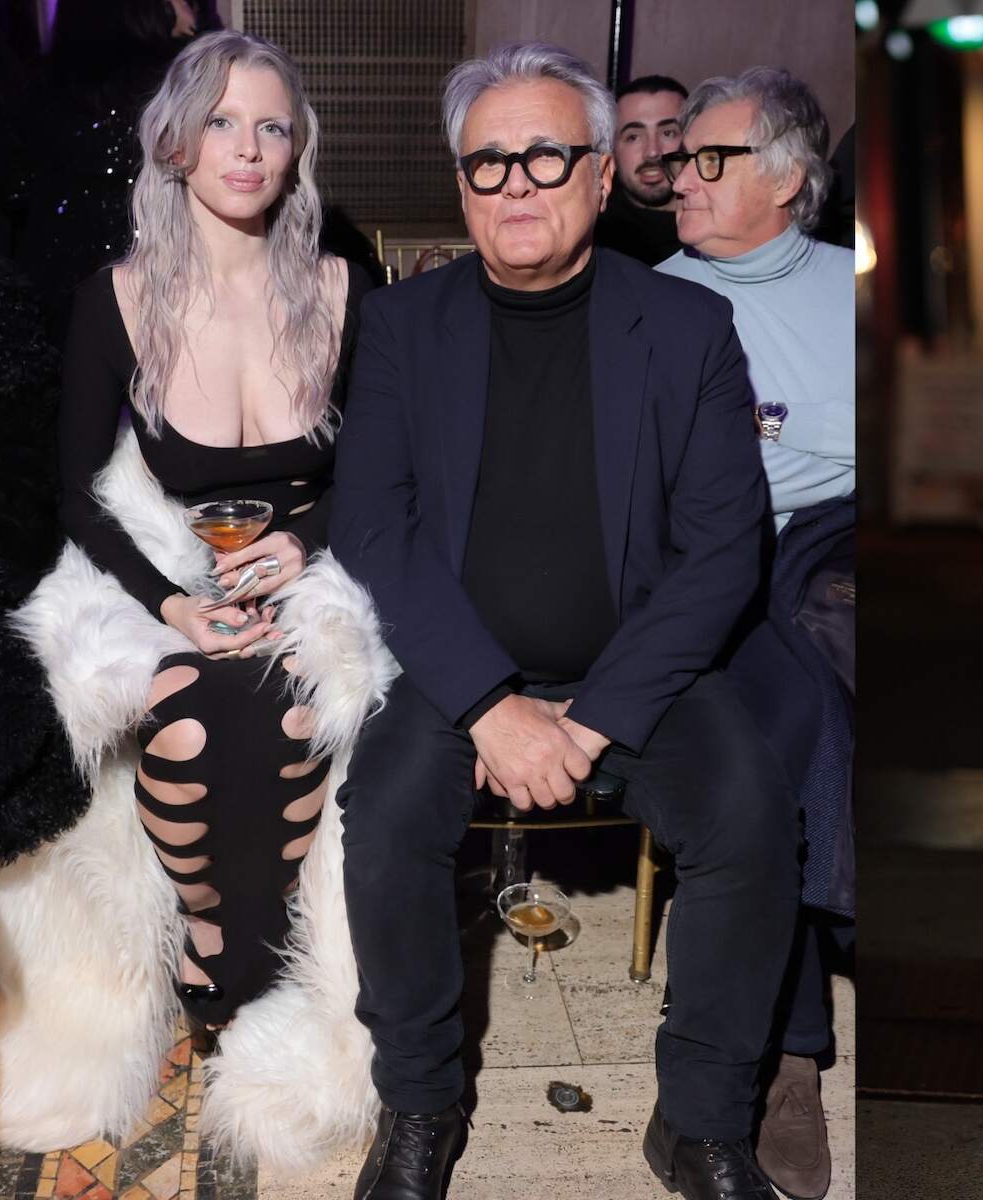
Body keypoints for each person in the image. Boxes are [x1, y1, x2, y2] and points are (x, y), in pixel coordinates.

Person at [333, 43, 796, 1200]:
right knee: (384, 814)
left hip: (636, 672)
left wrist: (588, 726)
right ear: (462, 189)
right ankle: (422, 1104)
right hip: (458, 676)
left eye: (546, 155)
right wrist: (491, 705)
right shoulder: (400, 328)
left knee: (751, 811)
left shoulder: (685, 329)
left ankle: (700, 1121)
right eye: (488, 164)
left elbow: (724, 550)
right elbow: (375, 532)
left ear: (602, 176)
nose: (517, 183)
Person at [0, 30, 396, 1171]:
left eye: (271, 126)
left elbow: (395, 470)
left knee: (297, 707)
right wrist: (169, 604)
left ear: (297, 149)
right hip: (172, 567)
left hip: (322, 565)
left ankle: (258, 970)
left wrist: (306, 544)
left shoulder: (350, 288)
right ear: (176, 142)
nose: (248, 149)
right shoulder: (118, 299)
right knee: (194, 705)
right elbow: (78, 495)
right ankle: (212, 937)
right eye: (223, 123)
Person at [655, 66, 854, 1200]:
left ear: (787, 178)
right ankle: (788, 1053)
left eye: (708, 158)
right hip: (726, 558)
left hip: (839, 551)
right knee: (794, 728)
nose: (680, 175)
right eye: (681, 158)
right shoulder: (655, 297)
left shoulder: (844, 286)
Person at [592, 74, 687, 265]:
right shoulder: (591, 238)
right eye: (633, 137)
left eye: (668, 133)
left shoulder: (722, 227)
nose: (652, 152)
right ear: (611, 150)